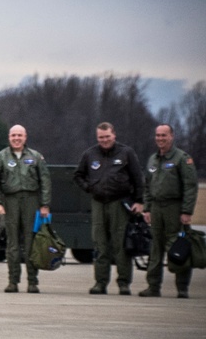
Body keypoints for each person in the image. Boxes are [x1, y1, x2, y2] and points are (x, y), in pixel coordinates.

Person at [73, 122, 144, 295]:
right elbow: (78, 175)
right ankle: (100, 282)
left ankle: (124, 283)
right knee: (100, 245)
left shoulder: (126, 153)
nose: (104, 140)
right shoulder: (90, 154)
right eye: (101, 137)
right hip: (98, 203)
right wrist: (89, 187)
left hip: (119, 203)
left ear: (114, 135)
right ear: (97, 138)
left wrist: (139, 201)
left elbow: (138, 178)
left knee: (121, 245)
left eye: (107, 137)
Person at [0, 125, 52, 293]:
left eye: (20, 135)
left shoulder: (35, 157)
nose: (16, 138)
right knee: (12, 244)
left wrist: (45, 204)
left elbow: (45, 181)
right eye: (14, 135)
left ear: (25, 137)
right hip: (10, 201)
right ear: (9, 137)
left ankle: (32, 281)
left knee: (31, 242)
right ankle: (13, 281)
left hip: (31, 201)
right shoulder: (0, 157)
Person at [139, 124, 198, 298]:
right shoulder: (153, 159)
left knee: (178, 246)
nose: (160, 139)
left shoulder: (182, 159)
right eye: (158, 135)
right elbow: (147, 187)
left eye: (164, 135)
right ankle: (153, 286)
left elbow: (190, 186)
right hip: (156, 208)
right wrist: (147, 208)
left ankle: (182, 287)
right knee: (155, 248)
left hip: (175, 207)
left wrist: (187, 211)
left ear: (172, 136)